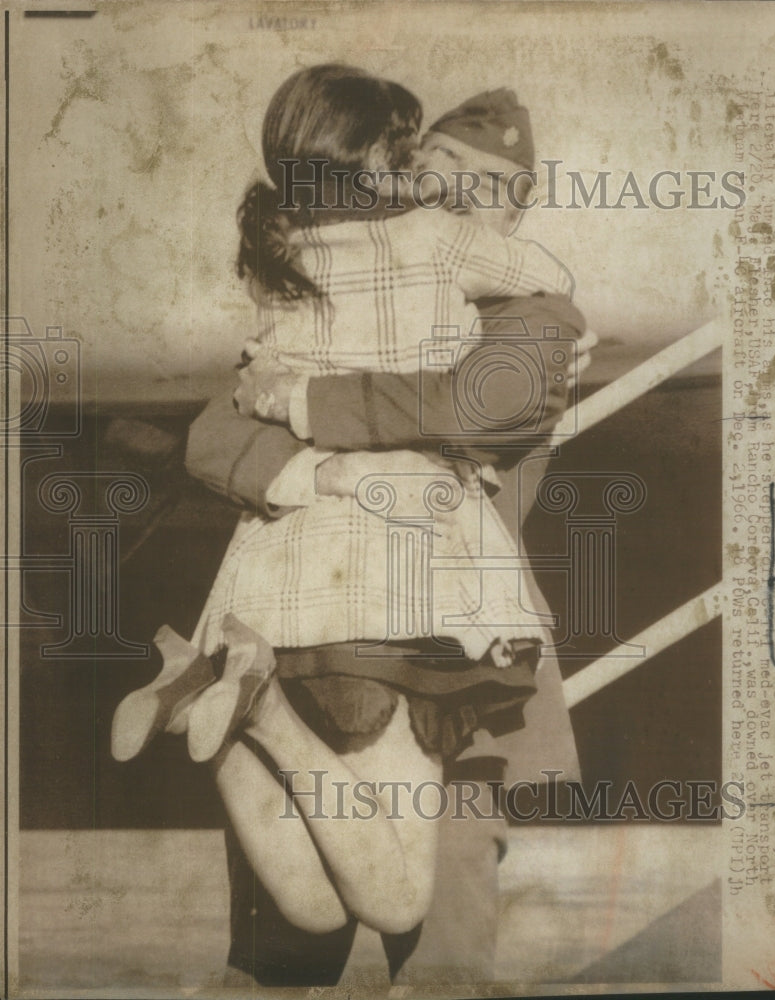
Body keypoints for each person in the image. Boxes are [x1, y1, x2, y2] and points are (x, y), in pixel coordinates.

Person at [182, 85, 591, 985]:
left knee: (437, 946)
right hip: (311, 628)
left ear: (518, 205)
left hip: (452, 648)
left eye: (481, 178)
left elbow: (486, 407)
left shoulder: (532, 313)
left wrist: (303, 405)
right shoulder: (341, 277)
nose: (449, 187)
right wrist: (313, 459)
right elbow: (215, 433)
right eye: (432, 165)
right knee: (283, 950)